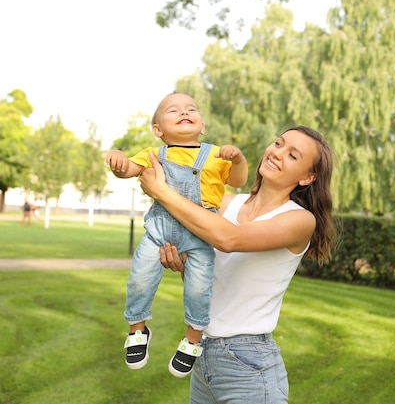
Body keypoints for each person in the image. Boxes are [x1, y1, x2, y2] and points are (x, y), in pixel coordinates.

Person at [139, 125, 335, 403]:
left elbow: (229, 239)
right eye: (278, 144)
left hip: (249, 366)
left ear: (307, 177)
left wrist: (163, 192)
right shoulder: (226, 204)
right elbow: (210, 281)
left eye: (292, 155)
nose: (277, 153)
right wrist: (185, 267)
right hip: (204, 355)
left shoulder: (299, 220)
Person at [105, 92, 249, 377]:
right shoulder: (152, 155)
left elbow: (238, 180)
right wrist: (119, 161)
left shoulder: (217, 154)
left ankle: (192, 340)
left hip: (199, 237)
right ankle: (137, 330)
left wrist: (239, 159)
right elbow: (129, 170)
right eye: (173, 110)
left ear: (202, 125)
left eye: (190, 109)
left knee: (199, 289)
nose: (184, 112)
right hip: (159, 232)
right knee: (139, 280)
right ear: (158, 130)